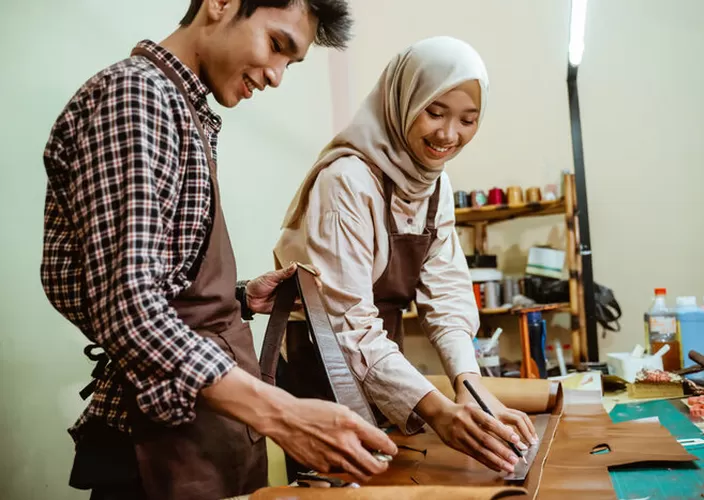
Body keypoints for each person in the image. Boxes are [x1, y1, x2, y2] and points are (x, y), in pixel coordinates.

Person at [40, 1, 397, 498]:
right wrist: (285, 415)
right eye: (277, 45)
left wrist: (239, 297)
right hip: (157, 449)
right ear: (221, 4)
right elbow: (129, 310)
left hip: (205, 432)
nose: (276, 77)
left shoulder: (179, 108)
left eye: (291, 64)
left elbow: (154, 281)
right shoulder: (137, 96)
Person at [274, 36, 538, 475]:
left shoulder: (435, 185)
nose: (448, 135)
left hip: (380, 363)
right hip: (322, 371)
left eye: (467, 120)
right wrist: (436, 411)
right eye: (435, 112)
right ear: (401, 99)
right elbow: (350, 325)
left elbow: (449, 297)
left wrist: (470, 387)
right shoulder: (348, 181)